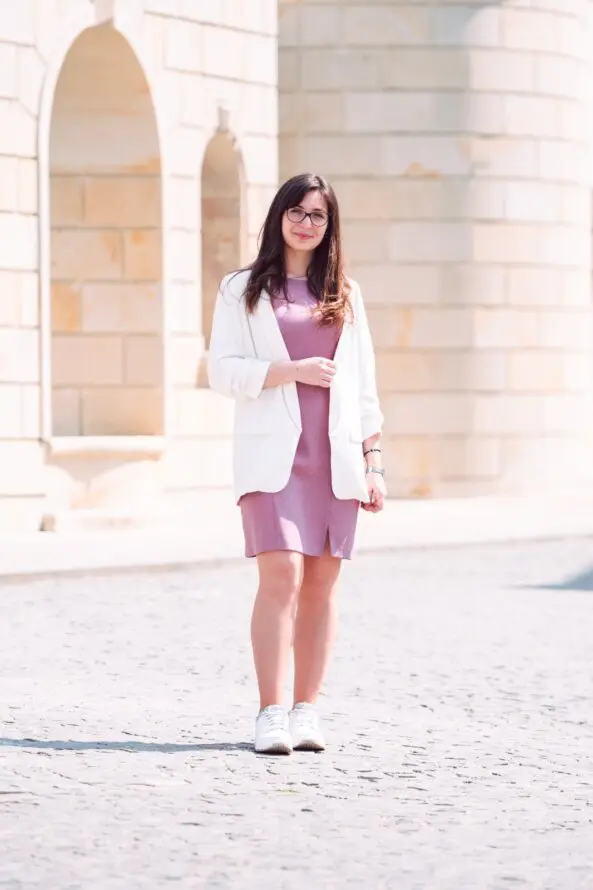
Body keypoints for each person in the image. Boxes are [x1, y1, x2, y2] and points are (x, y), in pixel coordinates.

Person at [208, 172, 385, 755]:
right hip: (271, 455)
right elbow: (222, 372)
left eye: (318, 215)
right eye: (297, 212)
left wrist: (374, 462)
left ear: (330, 226)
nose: (307, 224)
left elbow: (364, 386)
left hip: (335, 456)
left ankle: (307, 710)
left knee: (322, 585)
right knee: (281, 573)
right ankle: (270, 713)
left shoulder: (346, 293)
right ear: (278, 216)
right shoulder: (241, 290)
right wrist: (293, 371)